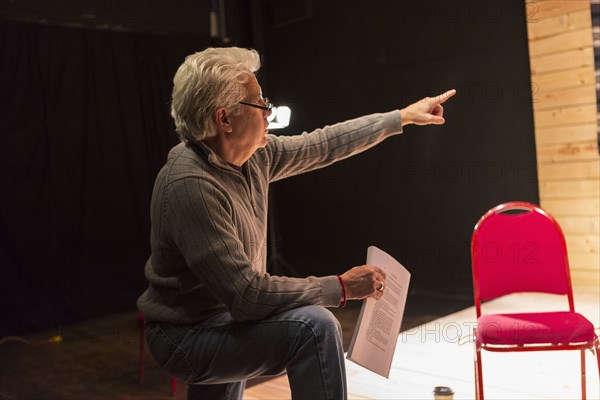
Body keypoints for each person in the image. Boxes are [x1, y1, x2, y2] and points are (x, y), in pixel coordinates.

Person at [137, 46, 456, 400]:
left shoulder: (253, 157)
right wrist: (340, 287)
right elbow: (248, 295)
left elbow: (324, 144)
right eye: (260, 104)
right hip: (185, 336)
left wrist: (401, 117)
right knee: (313, 327)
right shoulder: (191, 185)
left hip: (222, 316)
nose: (269, 112)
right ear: (224, 119)